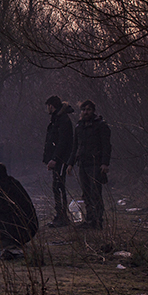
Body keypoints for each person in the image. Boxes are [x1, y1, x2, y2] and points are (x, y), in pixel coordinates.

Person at [69, 100, 112, 229]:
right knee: (86, 193)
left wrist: (105, 163)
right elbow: (75, 146)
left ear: (93, 110)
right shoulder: (79, 126)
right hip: (82, 163)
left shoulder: (100, 125)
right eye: (83, 110)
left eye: (88, 109)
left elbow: (106, 146)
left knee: (95, 193)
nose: (85, 112)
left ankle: (98, 221)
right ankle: (89, 220)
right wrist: (70, 163)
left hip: (95, 163)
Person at [0, 162, 39, 252]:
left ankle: (6, 240)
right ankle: (11, 240)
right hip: (31, 230)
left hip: (17, 231)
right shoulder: (15, 183)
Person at [42, 95, 75, 227]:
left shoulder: (63, 120)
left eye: (48, 106)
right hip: (57, 159)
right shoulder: (57, 119)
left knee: (59, 186)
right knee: (56, 186)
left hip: (61, 160)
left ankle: (62, 217)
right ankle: (59, 215)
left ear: (51, 105)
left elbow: (63, 142)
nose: (47, 109)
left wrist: (55, 159)